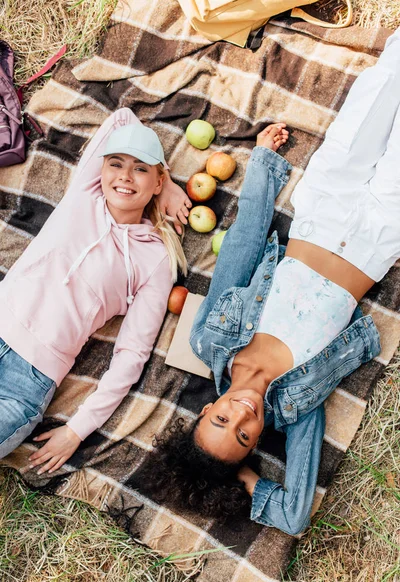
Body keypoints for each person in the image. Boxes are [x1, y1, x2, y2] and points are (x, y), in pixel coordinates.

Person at [143, 29, 400, 535]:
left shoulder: (210, 340)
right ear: (255, 444)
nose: (241, 415)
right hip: (379, 235)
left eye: (221, 421)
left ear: (205, 409)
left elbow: (238, 251)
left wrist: (262, 165)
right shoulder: (295, 408)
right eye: (244, 436)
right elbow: (294, 514)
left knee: (382, 88)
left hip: (323, 209)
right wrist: (239, 479)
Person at [0, 107, 192, 473]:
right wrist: (167, 184)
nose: (125, 176)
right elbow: (122, 117)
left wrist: (76, 431)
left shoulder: (156, 260)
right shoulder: (85, 193)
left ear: (154, 179)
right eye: (116, 164)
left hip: (26, 382)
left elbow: (131, 355)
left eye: (140, 168)